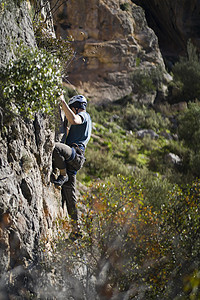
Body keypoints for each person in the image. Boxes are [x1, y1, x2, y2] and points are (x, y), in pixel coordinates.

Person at [52, 94, 92, 240]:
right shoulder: (84, 123)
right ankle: (77, 229)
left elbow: (74, 120)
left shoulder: (84, 115)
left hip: (75, 154)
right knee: (69, 195)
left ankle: (63, 175)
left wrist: (62, 101)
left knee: (56, 148)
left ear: (76, 107)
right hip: (74, 158)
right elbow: (70, 131)